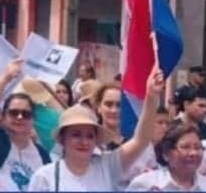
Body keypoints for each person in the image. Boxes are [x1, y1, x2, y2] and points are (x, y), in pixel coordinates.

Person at [27, 68, 164, 191]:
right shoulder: (45, 177)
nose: (84, 141)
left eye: (90, 136)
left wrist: (151, 97)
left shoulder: (107, 166)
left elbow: (141, 140)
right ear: (63, 139)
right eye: (76, 135)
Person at [0, 60, 52, 191]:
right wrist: (5, 77)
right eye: (14, 113)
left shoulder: (43, 155)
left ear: (33, 120)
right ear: (3, 117)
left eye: (25, 114)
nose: (19, 117)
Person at [127, 122, 206, 191]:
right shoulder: (145, 184)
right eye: (185, 147)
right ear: (166, 153)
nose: (193, 153)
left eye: (198, 147)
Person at [93, 83, 124, 149]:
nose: (114, 110)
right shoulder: (90, 141)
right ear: (99, 107)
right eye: (108, 104)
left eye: (119, 105)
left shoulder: (134, 139)